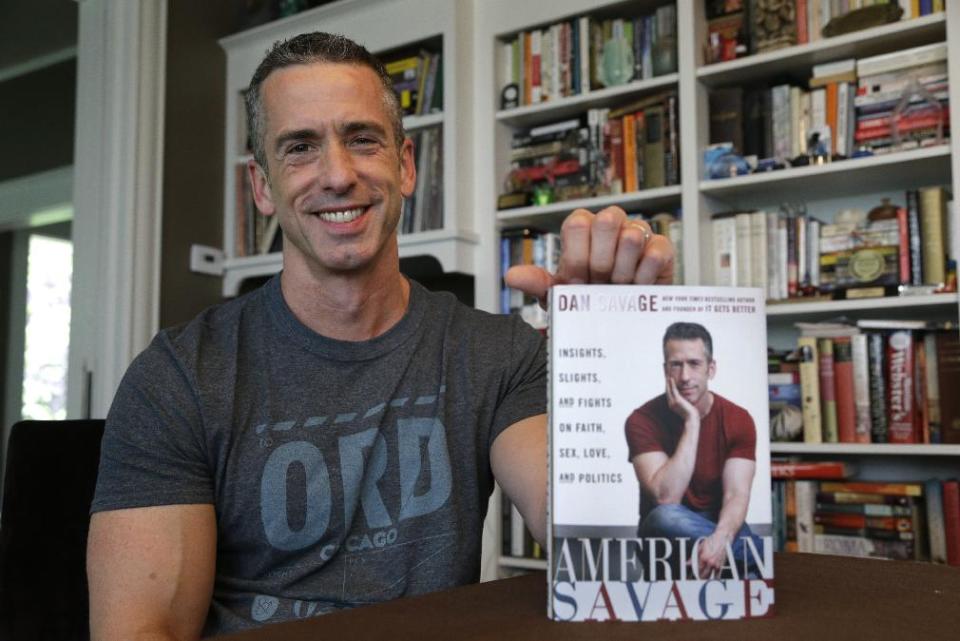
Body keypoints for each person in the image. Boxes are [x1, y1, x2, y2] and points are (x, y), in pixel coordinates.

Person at [86, 32, 674, 640]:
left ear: (406, 164)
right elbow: (140, 630)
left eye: (362, 139)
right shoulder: (179, 377)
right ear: (262, 187)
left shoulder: (498, 354)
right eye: (300, 148)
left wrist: (616, 348)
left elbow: (610, 550)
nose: (338, 175)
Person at [624, 322, 761, 580]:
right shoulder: (641, 420)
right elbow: (666, 497)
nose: (685, 376)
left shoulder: (738, 418)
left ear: (711, 369)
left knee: (735, 542)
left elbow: (736, 494)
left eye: (694, 364)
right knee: (664, 516)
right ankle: (757, 553)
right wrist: (692, 422)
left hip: (719, 523)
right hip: (665, 536)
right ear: (665, 370)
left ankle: (728, 553)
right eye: (676, 365)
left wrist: (719, 539)